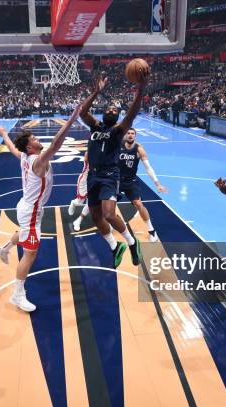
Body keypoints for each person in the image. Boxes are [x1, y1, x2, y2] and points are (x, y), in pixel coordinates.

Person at [0, 105, 81, 312]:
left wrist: (4, 133)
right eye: (33, 139)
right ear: (30, 148)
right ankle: (18, 295)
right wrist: (70, 120)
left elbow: (13, 148)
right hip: (31, 210)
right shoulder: (37, 161)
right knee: (30, 254)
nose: (37, 139)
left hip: (27, 207)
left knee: (24, 234)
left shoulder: (24, 156)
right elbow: (56, 144)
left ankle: (3, 249)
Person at [79, 71, 149, 269]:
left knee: (109, 214)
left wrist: (141, 89)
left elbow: (132, 112)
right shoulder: (95, 126)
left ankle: (132, 242)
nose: (111, 110)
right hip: (93, 175)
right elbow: (82, 112)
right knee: (95, 216)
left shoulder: (118, 131)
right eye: (108, 109)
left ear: (118, 116)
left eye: (114, 110)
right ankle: (114, 245)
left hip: (110, 175)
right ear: (103, 113)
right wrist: (95, 92)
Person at [70, 128, 168, 240]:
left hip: (130, 181)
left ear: (135, 136)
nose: (130, 135)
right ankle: (79, 219)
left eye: (132, 134)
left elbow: (148, 168)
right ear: (125, 135)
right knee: (98, 201)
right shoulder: (118, 145)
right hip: (115, 180)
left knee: (138, 204)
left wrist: (157, 184)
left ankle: (151, 231)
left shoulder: (139, 149)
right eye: (128, 133)